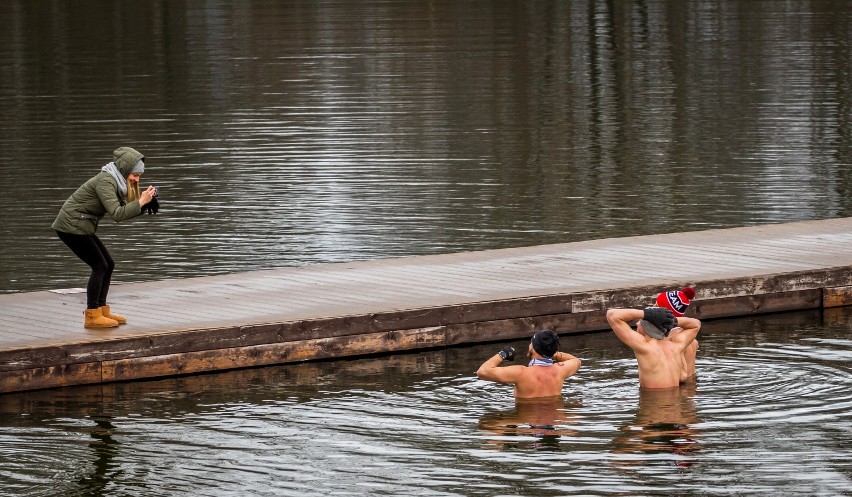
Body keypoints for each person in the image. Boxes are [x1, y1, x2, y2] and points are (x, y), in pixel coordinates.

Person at [52, 146, 159, 329]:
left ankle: (101, 309)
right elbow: (117, 214)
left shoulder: (118, 182)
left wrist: (144, 205)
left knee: (109, 264)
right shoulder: (106, 181)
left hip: (81, 225)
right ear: (125, 170)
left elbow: (124, 211)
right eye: (135, 175)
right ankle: (92, 315)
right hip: (70, 225)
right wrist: (140, 202)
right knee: (99, 265)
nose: (136, 179)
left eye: (139, 176)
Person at [606, 306, 701, 389]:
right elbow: (696, 324)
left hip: (654, 405)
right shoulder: (676, 346)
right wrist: (671, 320)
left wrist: (646, 314)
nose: (637, 324)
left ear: (646, 327)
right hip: (675, 405)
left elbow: (612, 315)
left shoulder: (645, 347)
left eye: (641, 321)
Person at [476, 329, 581, 399]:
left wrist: (503, 354)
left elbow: (482, 371)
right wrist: (551, 354)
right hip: (553, 419)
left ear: (534, 348)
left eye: (531, 342)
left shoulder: (521, 373)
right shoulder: (560, 370)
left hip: (526, 418)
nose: (529, 345)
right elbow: (577, 361)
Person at [654, 287, 698, 381]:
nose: (652, 307)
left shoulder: (673, 340)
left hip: (679, 391)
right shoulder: (690, 337)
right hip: (693, 386)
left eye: (656, 306)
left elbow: (682, 376)